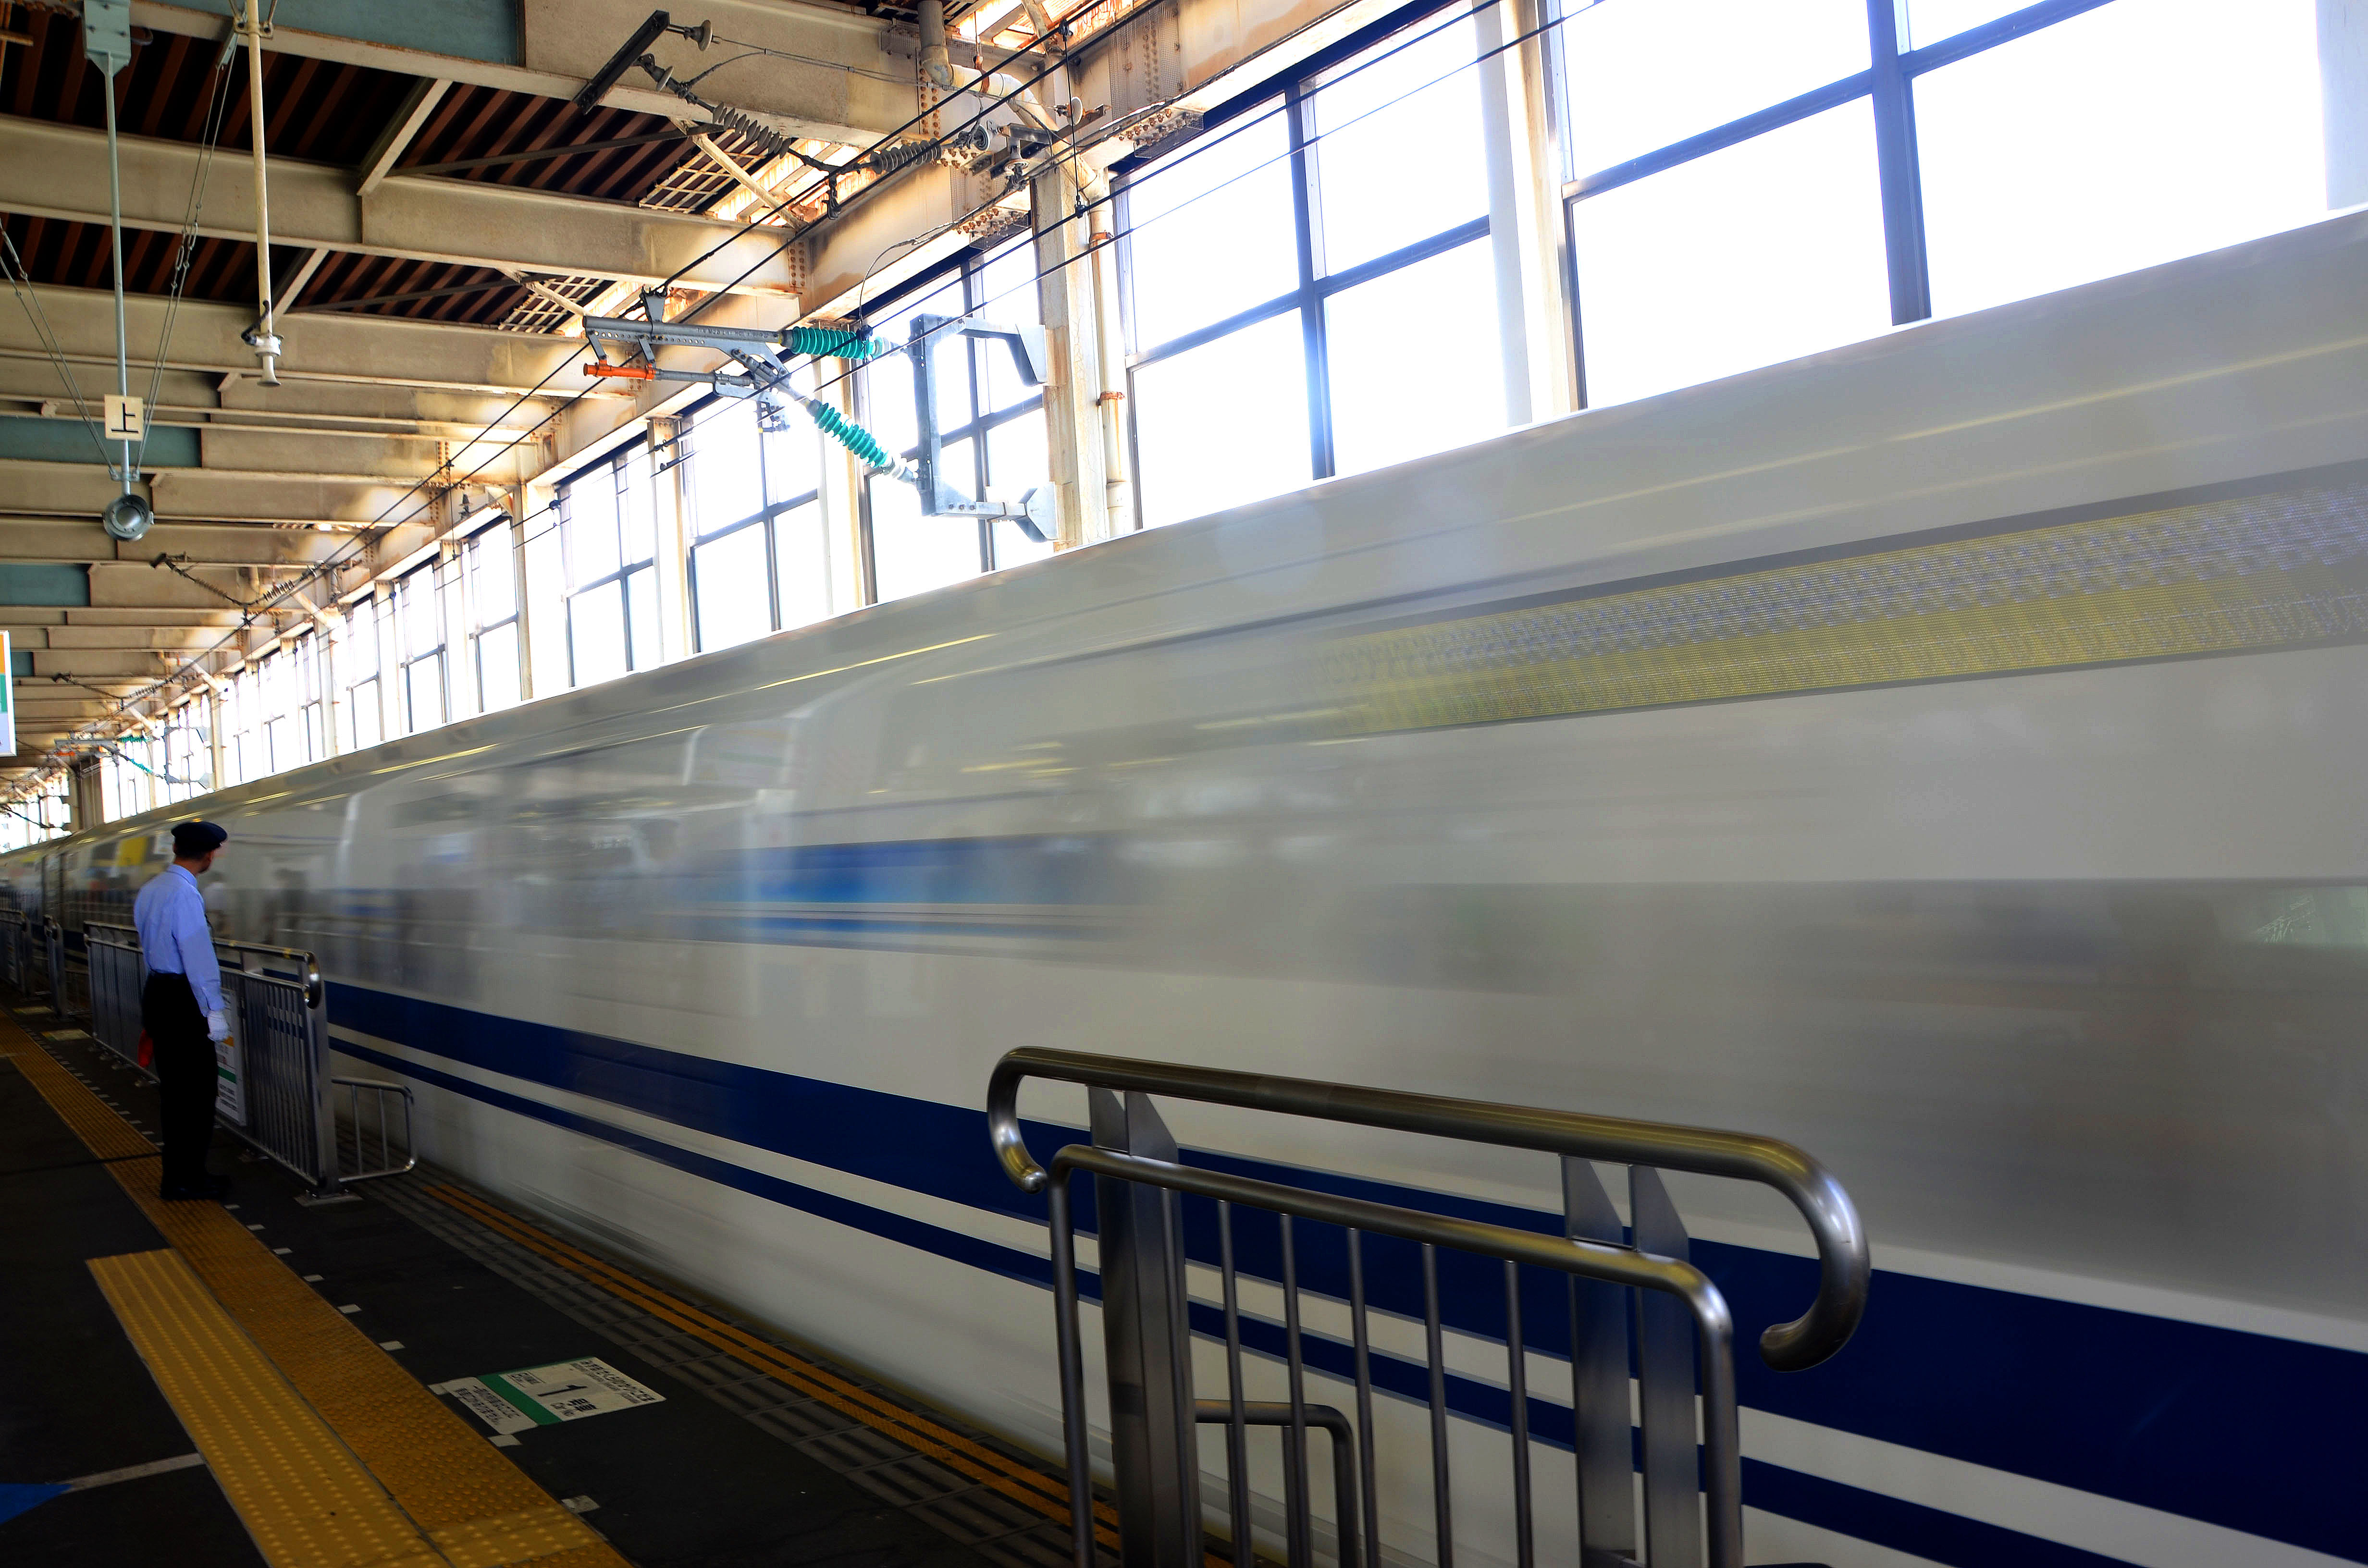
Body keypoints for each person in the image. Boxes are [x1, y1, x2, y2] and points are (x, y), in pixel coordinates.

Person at [133, 820, 230, 1201]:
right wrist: (214, 1011)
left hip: (159, 993)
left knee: (176, 1094)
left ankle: (181, 1175)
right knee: (198, 1093)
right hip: (183, 1001)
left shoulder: (152, 889)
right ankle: (187, 1179)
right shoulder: (186, 895)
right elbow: (199, 959)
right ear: (208, 856)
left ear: (176, 850)